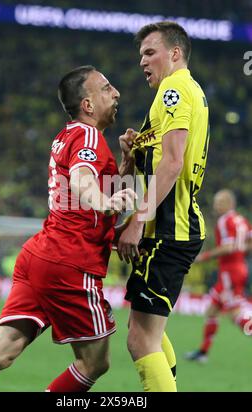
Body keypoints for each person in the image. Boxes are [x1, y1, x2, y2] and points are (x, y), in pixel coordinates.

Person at [0, 65, 136, 392]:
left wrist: (126, 165)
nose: (116, 92)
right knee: (95, 362)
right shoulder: (88, 135)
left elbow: (88, 200)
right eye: (106, 87)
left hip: (40, 257)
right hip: (69, 265)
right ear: (88, 105)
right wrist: (105, 202)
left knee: (3, 349)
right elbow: (83, 182)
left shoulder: (69, 135)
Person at [117, 21, 210, 392]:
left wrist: (138, 221)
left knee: (141, 340)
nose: (143, 61)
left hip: (169, 231)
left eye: (150, 52)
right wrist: (134, 150)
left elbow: (173, 163)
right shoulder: (188, 91)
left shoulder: (174, 89)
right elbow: (162, 157)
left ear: (175, 53)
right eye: (141, 54)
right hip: (175, 227)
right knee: (145, 331)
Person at [185, 189, 252, 363]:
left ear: (228, 203)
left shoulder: (224, 221)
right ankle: (203, 353)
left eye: (218, 202)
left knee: (235, 312)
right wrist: (242, 251)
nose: (215, 206)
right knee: (212, 310)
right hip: (238, 268)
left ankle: (203, 353)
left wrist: (203, 257)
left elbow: (229, 248)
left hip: (230, 271)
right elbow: (249, 241)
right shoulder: (241, 220)